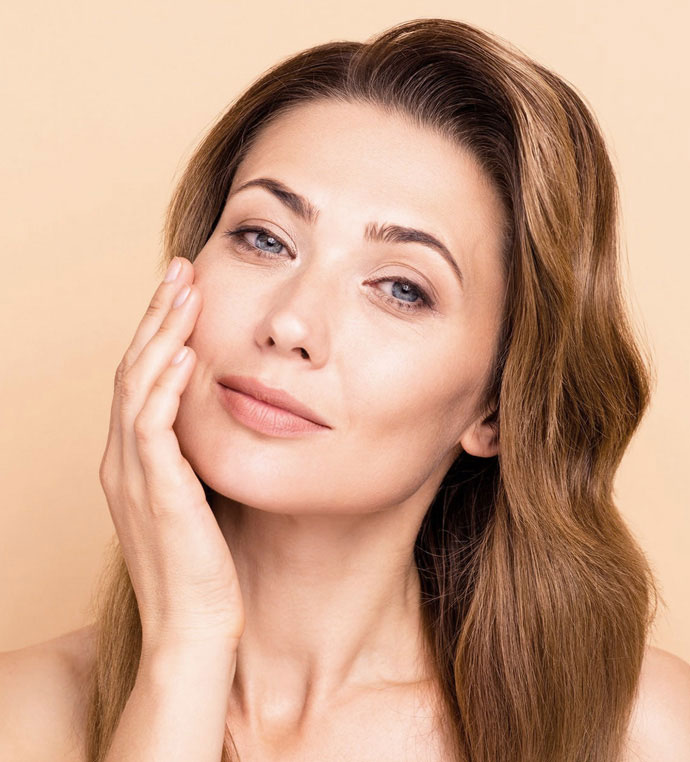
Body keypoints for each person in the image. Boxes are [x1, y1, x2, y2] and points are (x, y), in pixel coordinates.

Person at [1, 17, 689, 762]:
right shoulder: (23, 716)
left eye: (400, 288)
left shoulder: (642, 731)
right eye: (264, 238)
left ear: (495, 409)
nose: (291, 322)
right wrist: (185, 649)